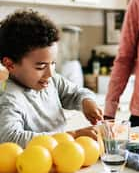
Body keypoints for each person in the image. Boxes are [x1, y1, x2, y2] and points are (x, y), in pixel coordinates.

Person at [0, 9, 103, 147]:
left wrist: (87, 101)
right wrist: (72, 136)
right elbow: (10, 138)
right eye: (41, 66)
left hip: (61, 159)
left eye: (53, 63)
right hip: (32, 167)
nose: (50, 73)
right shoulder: (8, 98)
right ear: (10, 64)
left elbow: (76, 93)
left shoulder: (52, 80)